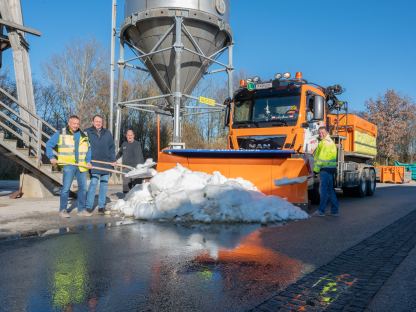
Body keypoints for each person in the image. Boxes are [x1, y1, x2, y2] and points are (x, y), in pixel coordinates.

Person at [46, 115, 92, 218]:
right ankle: (63, 210)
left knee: (83, 189)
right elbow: (49, 144)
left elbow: (89, 149)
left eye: (77, 124)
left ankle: (81, 210)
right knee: (66, 188)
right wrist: (51, 156)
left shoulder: (84, 135)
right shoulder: (61, 133)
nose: (76, 125)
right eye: (74, 123)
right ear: (69, 123)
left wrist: (88, 161)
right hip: (68, 165)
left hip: (81, 165)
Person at [85, 115, 116, 214]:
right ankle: (89, 206)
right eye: (96, 121)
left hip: (106, 162)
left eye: (100, 121)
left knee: (104, 184)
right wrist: (87, 160)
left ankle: (101, 206)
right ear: (93, 122)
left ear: (102, 123)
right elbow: (84, 147)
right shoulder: (87, 132)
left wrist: (113, 160)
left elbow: (112, 147)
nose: (98, 123)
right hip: (94, 162)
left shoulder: (107, 133)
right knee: (93, 183)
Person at [312, 126, 339, 217]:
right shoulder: (330, 142)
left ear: (327, 132)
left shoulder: (325, 143)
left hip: (325, 169)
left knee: (323, 191)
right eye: (319, 133)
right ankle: (335, 210)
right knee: (330, 190)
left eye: (322, 132)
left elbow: (321, 158)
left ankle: (321, 211)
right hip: (330, 169)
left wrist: (315, 170)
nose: (321, 134)